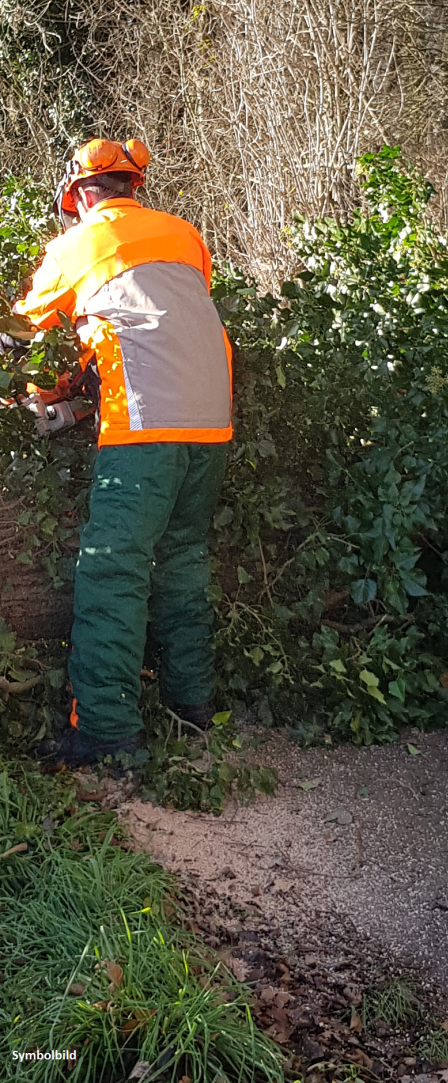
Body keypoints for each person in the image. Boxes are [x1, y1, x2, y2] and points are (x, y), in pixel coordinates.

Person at [13, 138, 233, 766]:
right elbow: (153, 320)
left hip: (145, 428)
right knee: (184, 560)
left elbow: (22, 331)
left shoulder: (78, 243)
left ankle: (107, 736)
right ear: (132, 186)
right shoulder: (184, 234)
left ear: (82, 195)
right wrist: (83, 383)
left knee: (114, 568)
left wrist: (35, 394)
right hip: (212, 423)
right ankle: (194, 710)